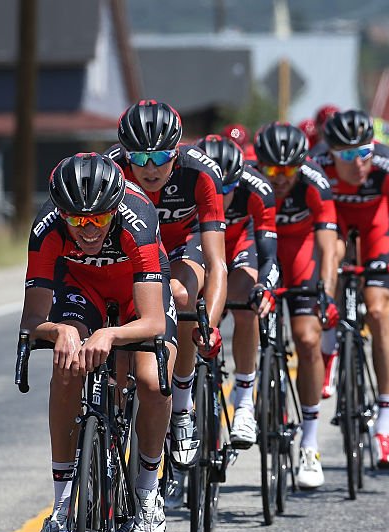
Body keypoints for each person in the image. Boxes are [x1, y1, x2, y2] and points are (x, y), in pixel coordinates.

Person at [22, 152, 178, 532]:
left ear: (114, 209)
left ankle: (147, 495)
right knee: (67, 365)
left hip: (135, 295)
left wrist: (109, 334)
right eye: (76, 220)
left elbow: (153, 322)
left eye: (98, 219)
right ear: (61, 213)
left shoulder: (137, 218)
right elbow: (32, 319)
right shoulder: (46, 227)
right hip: (81, 290)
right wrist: (60, 331)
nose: (88, 229)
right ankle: (60, 506)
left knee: (150, 381)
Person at [107, 100, 227, 473]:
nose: (150, 167)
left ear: (177, 150)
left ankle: (182, 402)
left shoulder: (200, 172)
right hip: (131, 249)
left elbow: (218, 262)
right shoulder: (111, 171)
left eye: (161, 156)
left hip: (181, 245)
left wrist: (211, 325)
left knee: (180, 293)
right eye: (139, 158)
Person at [313, 109, 389, 466]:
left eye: (365, 152)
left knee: (376, 311)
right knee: (332, 256)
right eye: (348, 155)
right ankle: (329, 345)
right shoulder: (316, 165)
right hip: (335, 226)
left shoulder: (388, 168)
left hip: (376, 230)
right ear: (331, 153)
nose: (359, 162)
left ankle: (384, 425)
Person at [253, 122, 339, 488]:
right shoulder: (251, 180)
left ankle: (309, 441)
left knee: (306, 339)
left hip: (301, 256)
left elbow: (328, 245)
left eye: (289, 170)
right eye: (274, 170)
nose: (282, 177)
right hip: (260, 255)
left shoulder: (314, 181)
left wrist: (328, 293)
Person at [196, 135, 279, 448]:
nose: (220, 195)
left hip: (237, 245)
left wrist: (265, 287)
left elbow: (270, 254)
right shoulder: (186, 182)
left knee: (247, 301)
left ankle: (244, 401)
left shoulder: (257, 188)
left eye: (227, 189)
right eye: (215, 188)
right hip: (199, 244)